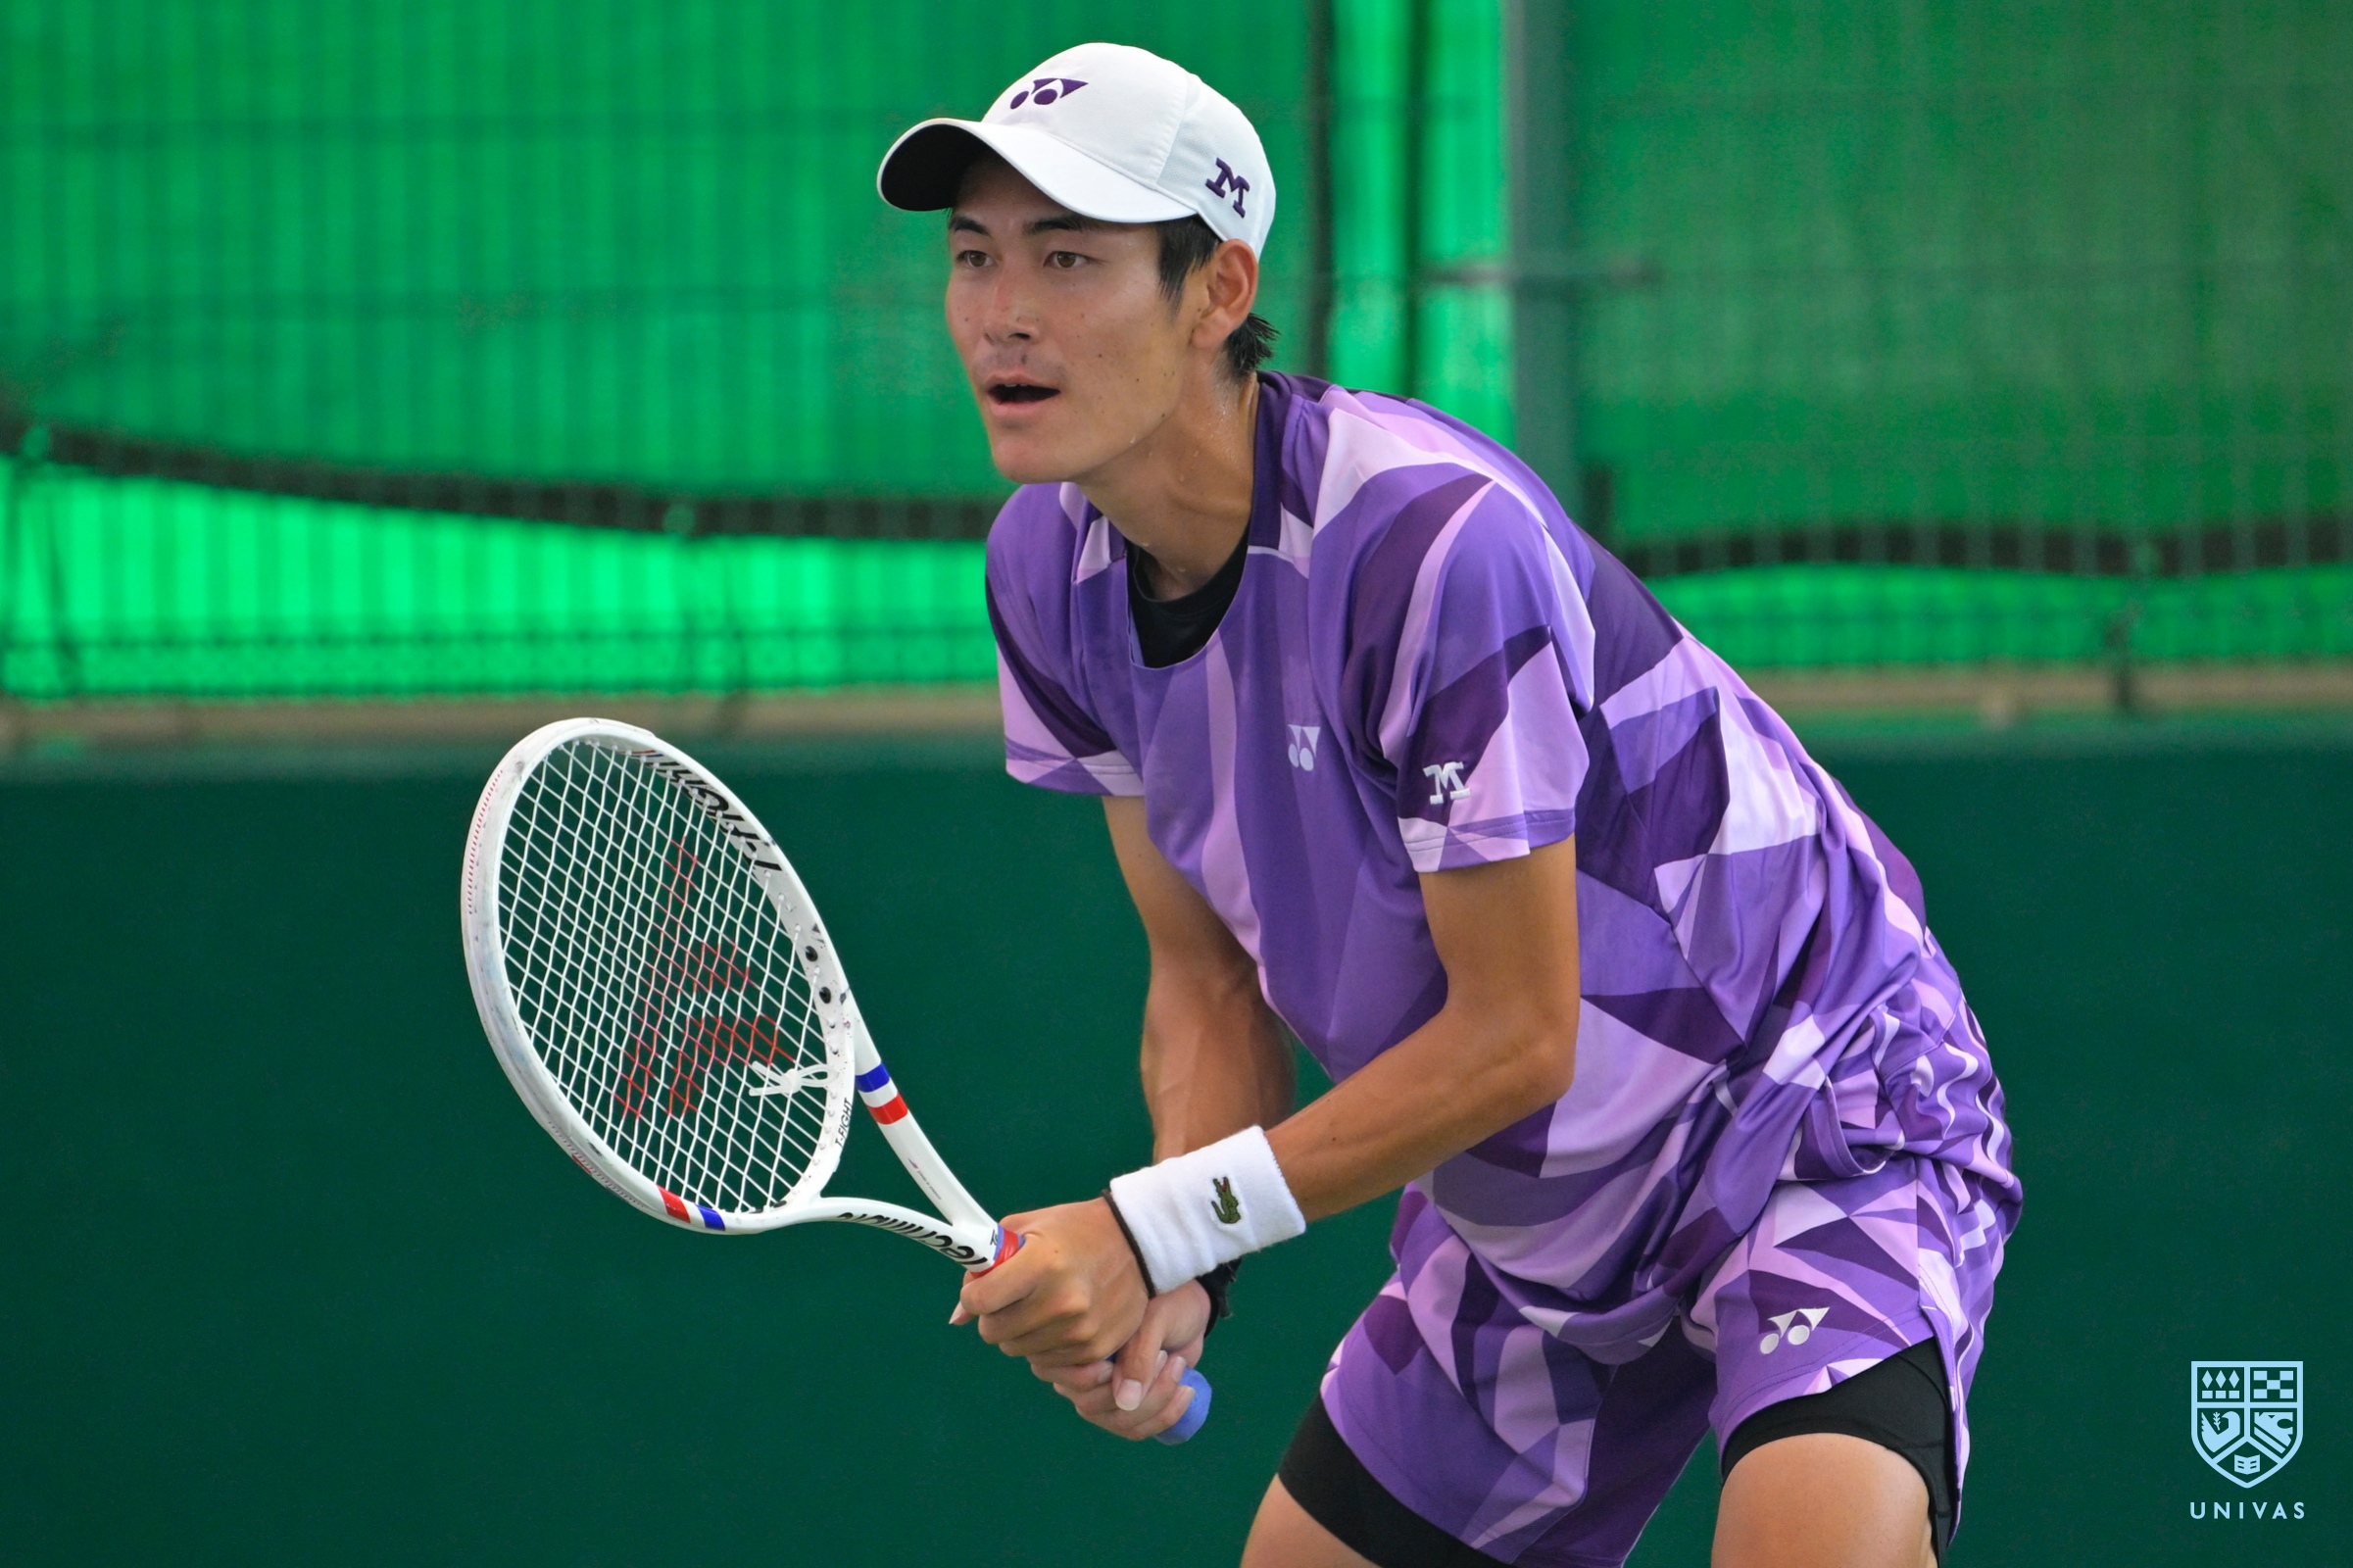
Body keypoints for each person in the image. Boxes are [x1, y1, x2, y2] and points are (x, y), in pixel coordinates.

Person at [876, 41, 2020, 1568]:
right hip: (1528, 1224)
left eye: (1067, 258)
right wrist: (1187, 1270)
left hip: (1805, 1116)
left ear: (1217, 291)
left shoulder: (1429, 542)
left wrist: (1155, 1226)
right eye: (973, 256)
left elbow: (1515, 1031)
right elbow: (1207, 979)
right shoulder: (1045, 570)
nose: (1002, 312)